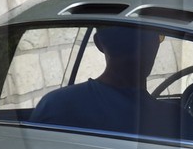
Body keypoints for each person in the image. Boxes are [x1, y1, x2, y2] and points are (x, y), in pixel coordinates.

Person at [30, 25, 174, 136]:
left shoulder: (55, 105)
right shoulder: (177, 122)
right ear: (154, 43)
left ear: (99, 43)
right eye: (157, 36)